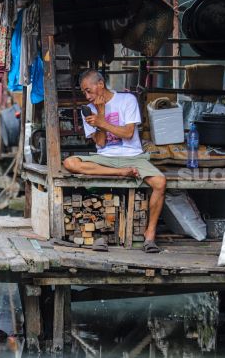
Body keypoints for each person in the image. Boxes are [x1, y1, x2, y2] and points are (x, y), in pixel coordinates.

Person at [63, 69, 166, 253]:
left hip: (132, 156)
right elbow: (101, 143)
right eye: (84, 92)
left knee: (160, 182)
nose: (87, 96)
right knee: (69, 163)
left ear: (100, 84)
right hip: (106, 158)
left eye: (88, 90)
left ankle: (149, 235)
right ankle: (121, 173)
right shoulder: (88, 110)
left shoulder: (127, 100)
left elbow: (128, 134)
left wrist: (101, 122)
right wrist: (100, 113)